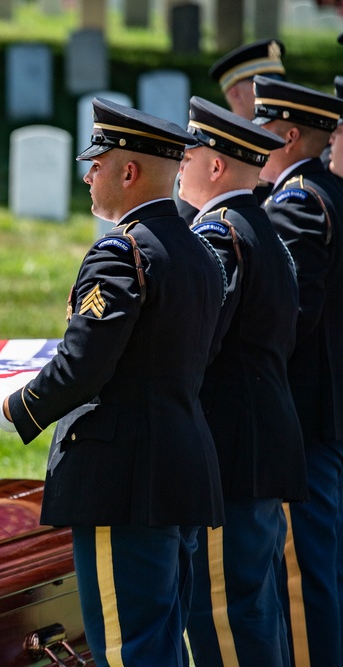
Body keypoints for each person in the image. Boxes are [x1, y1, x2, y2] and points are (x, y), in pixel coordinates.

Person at [0, 98, 225, 666]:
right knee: (160, 642)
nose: (88, 174)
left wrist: (17, 406)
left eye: (97, 162)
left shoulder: (122, 252)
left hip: (125, 482)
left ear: (128, 171)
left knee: (124, 649)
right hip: (178, 471)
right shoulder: (201, 252)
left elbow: (84, 366)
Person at [178, 96, 305, 666]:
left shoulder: (218, 235)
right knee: (256, 605)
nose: (178, 163)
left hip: (232, 450)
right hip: (260, 441)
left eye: (189, 152)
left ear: (217, 166)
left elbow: (198, 343)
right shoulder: (258, 227)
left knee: (226, 612)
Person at [252, 75, 343, 666]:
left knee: (303, 581)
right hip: (323, 412)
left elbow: (290, 315)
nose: (250, 140)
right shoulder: (329, 192)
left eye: (261, 129)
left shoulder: (299, 202)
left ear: (289, 135)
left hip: (301, 418)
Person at [178, 39, 288, 223]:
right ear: (235, 93)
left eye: (278, 85)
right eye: (263, 86)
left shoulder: (288, 142)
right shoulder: (207, 153)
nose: (276, 93)